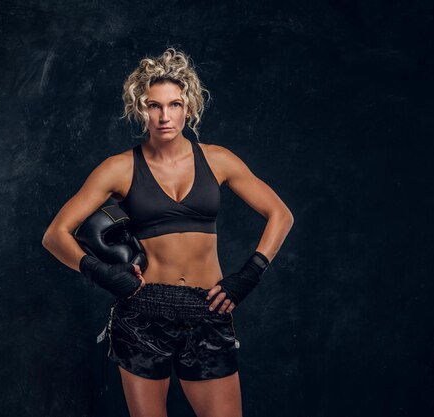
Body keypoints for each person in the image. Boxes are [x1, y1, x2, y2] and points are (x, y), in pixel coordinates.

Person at [42, 47, 294, 417]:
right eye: (153, 105)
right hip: (143, 310)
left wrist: (249, 275)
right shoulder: (119, 168)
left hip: (207, 307)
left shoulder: (218, 159)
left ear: (189, 107)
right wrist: (105, 275)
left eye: (174, 104)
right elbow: (55, 235)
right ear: (140, 109)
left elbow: (280, 214)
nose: (164, 116)